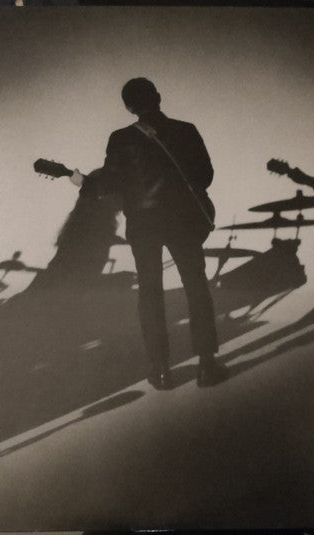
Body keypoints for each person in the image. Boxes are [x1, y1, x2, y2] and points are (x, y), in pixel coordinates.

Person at [68, 77, 228, 389]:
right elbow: (206, 176)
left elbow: (110, 185)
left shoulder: (120, 139)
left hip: (143, 225)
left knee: (150, 293)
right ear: (158, 96)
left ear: (129, 107)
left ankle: (162, 371)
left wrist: (81, 182)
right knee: (197, 287)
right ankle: (207, 366)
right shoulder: (186, 130)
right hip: (184, 220)